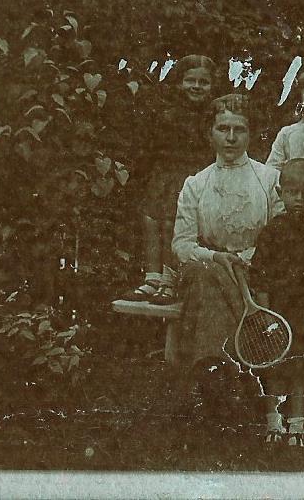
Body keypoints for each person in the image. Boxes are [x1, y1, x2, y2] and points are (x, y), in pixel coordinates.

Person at [172, 94, 283, 375]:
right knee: (207, 274)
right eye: (223, 129)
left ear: (251, 134)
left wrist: (246, 261)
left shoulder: (270, 179)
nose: (231, 138)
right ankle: (225, 370)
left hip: (257, 272)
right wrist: (216, 258)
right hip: (205, 270)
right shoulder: (196, 184)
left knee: (211, 281)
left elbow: (281, 236)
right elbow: (182, 244)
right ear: (210, 133)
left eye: (239, 129)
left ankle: (212, 371)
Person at [251, 159, 304, 446]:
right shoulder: (272, 232)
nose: (299, 199)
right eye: (292, 192)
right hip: (277, 312)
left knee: (298, 368)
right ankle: (273, 424)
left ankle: (297, 426)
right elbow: (260, 276)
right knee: (274, 367)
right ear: (280, 192)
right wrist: (266, 314)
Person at [125, 54, 217, 304]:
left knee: (171, 221)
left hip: (195, 175)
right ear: (179, 82)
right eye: (190, 80)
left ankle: (170, 279)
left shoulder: (213, 115)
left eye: (203, 82)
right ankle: (152, 277)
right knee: (150, 218)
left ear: (212, 86)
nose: (196, 86)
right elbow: (152, 147)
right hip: (165, 173)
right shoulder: (166, 112)